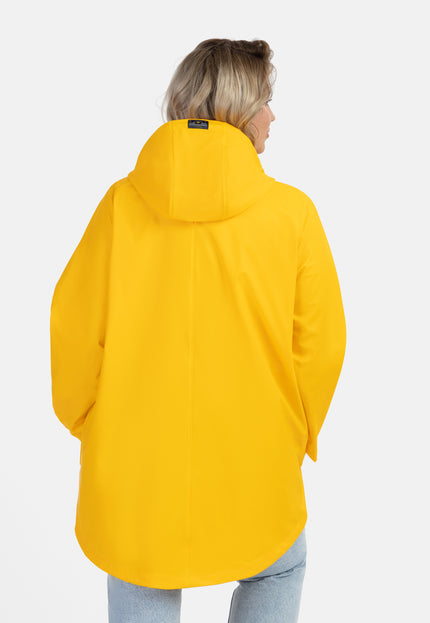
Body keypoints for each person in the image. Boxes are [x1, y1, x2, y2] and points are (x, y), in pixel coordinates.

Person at [50, 38, 347, 623]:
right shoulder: (292, 214)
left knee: (141, 568)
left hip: (136, 467)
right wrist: (295, 434)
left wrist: (92, 423)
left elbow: (72, 327)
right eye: (265, 101)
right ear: (240, 108)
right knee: (279, 565)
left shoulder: (120, 206)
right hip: (255, 463)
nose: (273, 116)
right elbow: (321, 345)